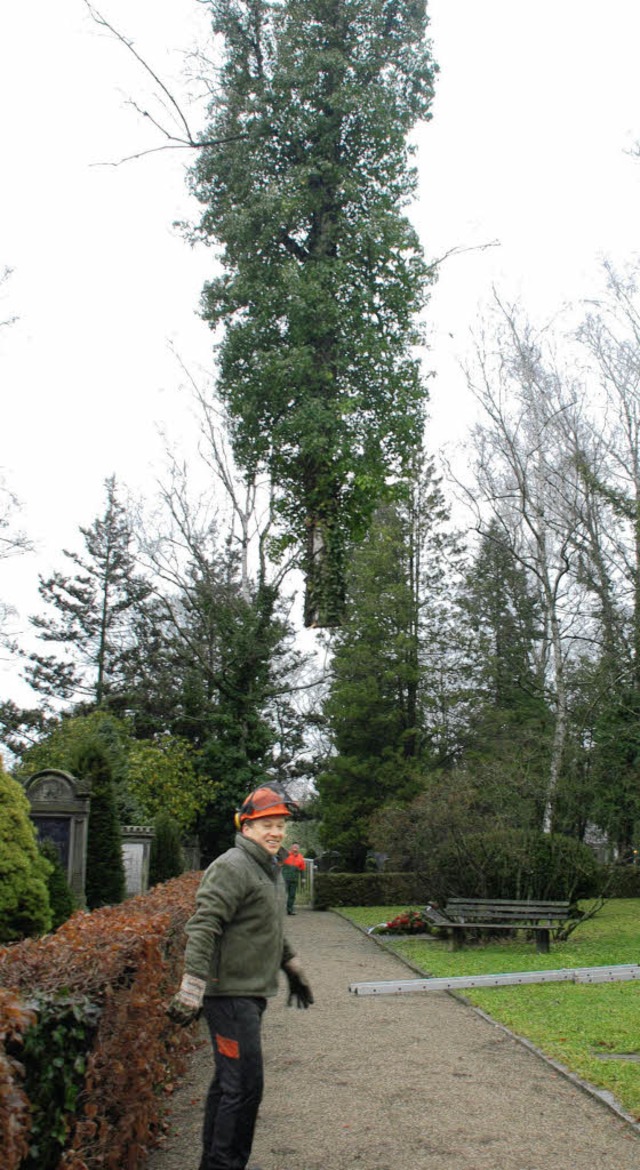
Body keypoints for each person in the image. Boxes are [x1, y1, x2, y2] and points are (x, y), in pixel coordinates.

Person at [168, 782, 314, 1170]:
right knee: (244, 1088)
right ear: (245, 826)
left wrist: (291, 963)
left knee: (228, 1085)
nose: (276, 832)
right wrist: (192, 984)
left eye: (280, 824)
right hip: (228, 996)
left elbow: (264, 926)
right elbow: (204, 924)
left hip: (249, 993)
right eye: (266, 823)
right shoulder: (233, 866)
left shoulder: (268, 868)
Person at [281, 842, 306, 915]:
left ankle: (290, 910)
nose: (295, 848)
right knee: (282, 894)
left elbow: (302, 869)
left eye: (297, 847)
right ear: (291, 847)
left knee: (292, 895)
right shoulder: (285, 855)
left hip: (294, 880)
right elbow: (279, 865)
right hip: (284, 879)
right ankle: (279, 910)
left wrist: (303, 878)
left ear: (299, 848)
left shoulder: (301, 857)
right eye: (294, 846)